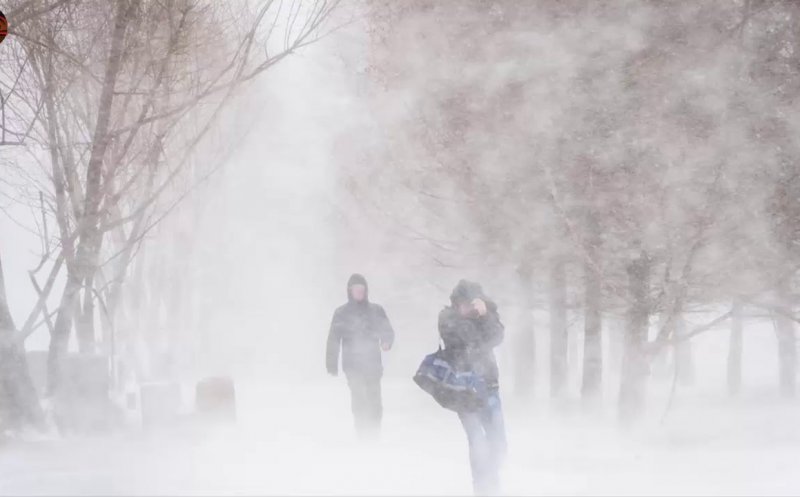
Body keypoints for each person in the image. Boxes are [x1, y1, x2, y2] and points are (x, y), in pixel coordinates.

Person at [439, 279, 506, 496]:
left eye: (473, 303)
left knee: (498, 442)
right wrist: (479, 320)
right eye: (465, 303)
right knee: (477, 441)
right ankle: (482, 489)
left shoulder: (487, 316)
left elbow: (496, 337)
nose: (469, 307)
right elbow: (466, 340)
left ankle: (491, 483)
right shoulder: (448, 318)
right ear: (457, 303)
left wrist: (486, 315)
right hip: (463, 390)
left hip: (489, 385)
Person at [326, 274, 394, 439]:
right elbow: (333, 339)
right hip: (352, 365)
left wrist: (386, 342)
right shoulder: (341, 313)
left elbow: (387, 330)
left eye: (362, 290)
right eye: (356, 290)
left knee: (374, 400)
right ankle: (363, 433)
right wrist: (331, 364)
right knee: (359, 399)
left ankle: (374, 432)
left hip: (373, 365)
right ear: (350, 291)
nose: (359, 293)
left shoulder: (376, 311)